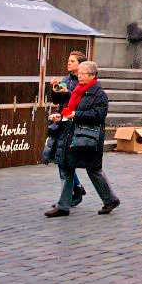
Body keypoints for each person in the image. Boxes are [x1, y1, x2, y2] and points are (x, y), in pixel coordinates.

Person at [45, 61, 119, 218]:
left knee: (93, 170)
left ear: (92, 75)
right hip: (70, 134)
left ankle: (110, 199)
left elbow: (98, 115)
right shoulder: (77, 90)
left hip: (87, 137)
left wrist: (76, 115)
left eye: (82, 73)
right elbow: (68, 109)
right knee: (66, 167)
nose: (79, 75)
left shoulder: (99, 94)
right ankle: (63, 206)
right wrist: (61, 116)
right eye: (78, 73)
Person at [45, 51, 84, 207]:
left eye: (72, 61)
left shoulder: (81, 81)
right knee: (61, 160)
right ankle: (76, 189)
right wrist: (54, 88)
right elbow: (56, 99)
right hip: (62, 121)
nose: (68, 63)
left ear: (80, 65)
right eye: (68, 60)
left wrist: (67, 92)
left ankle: (72, 194)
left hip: (73, 124)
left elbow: (79, 100)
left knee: (66, 161)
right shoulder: (66, 79)